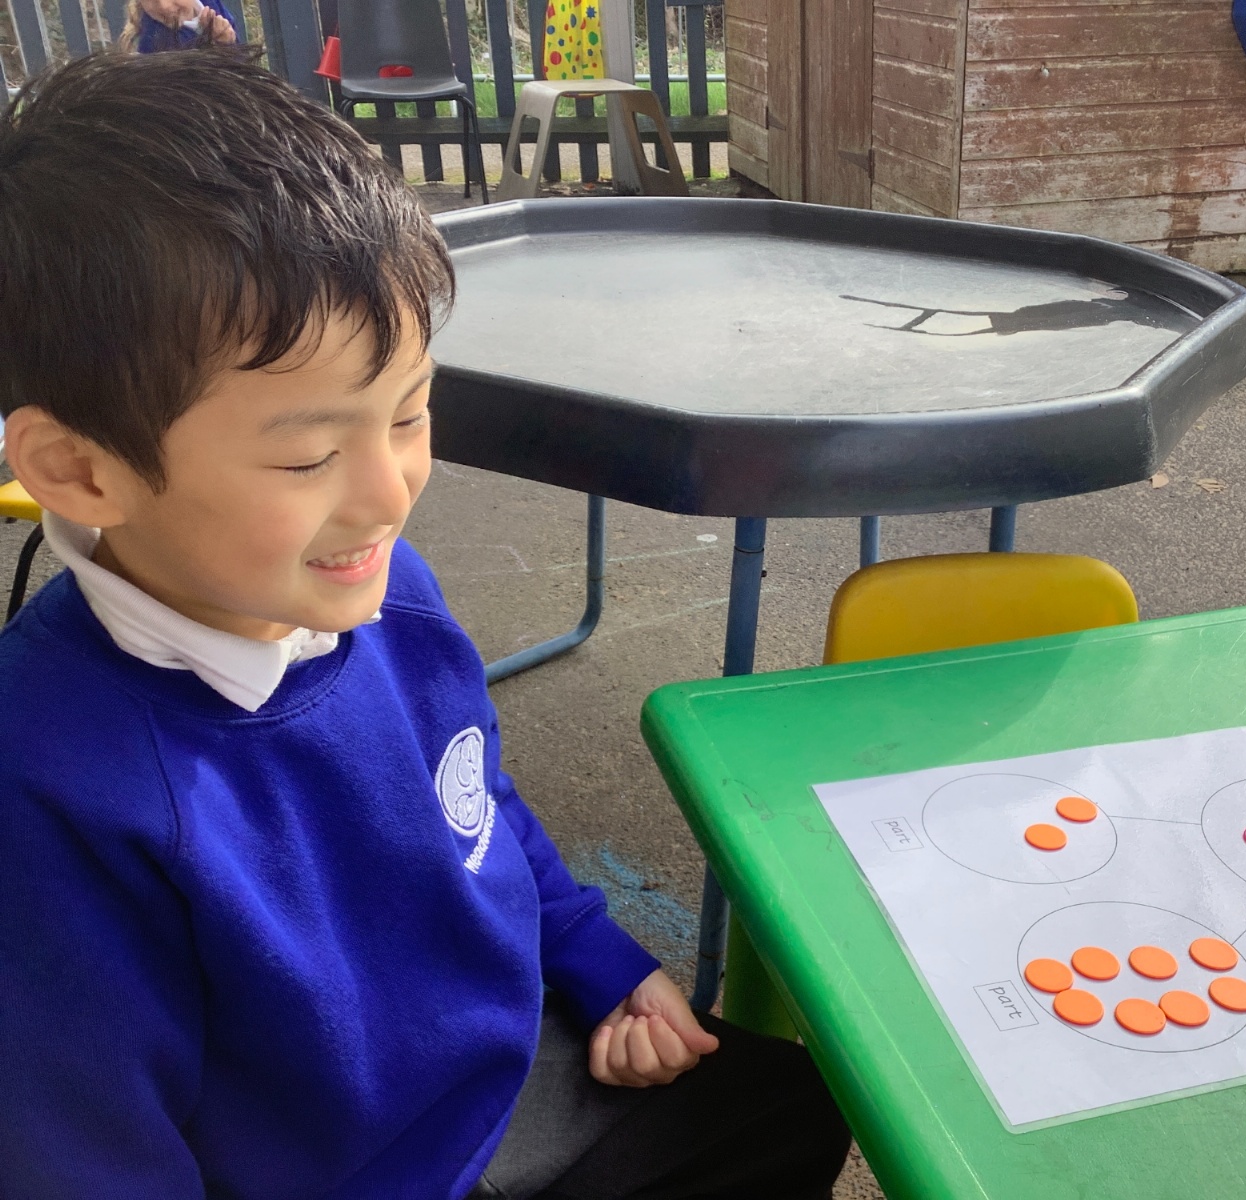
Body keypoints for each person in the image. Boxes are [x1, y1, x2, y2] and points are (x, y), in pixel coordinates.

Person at [0, 51, 851, 1200]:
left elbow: (473, 796)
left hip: (501, 1083)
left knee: (796, 1104)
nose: (389, 493)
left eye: (408, 414)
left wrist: (590, 952)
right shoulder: (46, 786)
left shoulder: (383, 589)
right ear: (78, 470)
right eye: (308, 456)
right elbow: (86, 1155)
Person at [120, 0, 238, 53]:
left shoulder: (209, 3)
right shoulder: (154, 44)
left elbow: (240, 53)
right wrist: (222, 47)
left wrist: (228, 40)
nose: (164, 6)